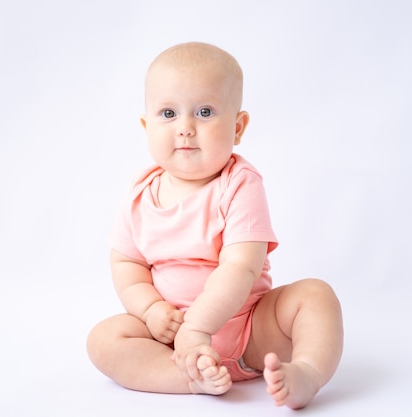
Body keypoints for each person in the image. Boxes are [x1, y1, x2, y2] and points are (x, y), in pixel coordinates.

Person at [86, 41, 343, 410]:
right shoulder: (141, 193)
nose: (185, 128)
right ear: (146, 126)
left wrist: (200, 328)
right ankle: (191, 377)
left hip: (251, 329)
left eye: (205, 112)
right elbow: (127, 264)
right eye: (168, 113)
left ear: (238, 127)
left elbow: (241, 266)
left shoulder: (239, 183)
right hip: (173, 338)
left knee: (316, 296)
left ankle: (307, 372)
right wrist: (151, 311)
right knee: (104, 339)